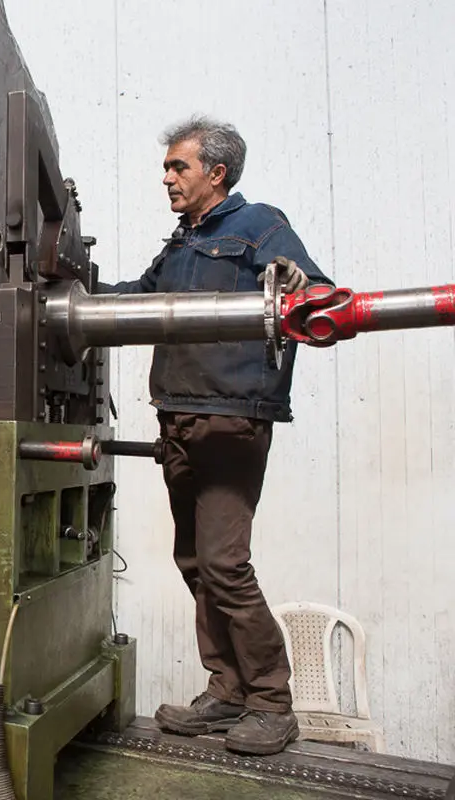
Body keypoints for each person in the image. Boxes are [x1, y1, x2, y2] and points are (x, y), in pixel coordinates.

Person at [99, 115, 333, 756]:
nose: (167, 177)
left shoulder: (258, 225)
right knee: (196, 563)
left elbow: (319, 292)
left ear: (216, 172)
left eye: (179, 167)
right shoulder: (181, 243)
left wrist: (298, 285)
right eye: (168, 167)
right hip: (176, 416)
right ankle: (227, 689)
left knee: (227, 565)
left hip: (232, 419)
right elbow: (134, 300)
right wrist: (68, 291)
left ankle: (271, 703)